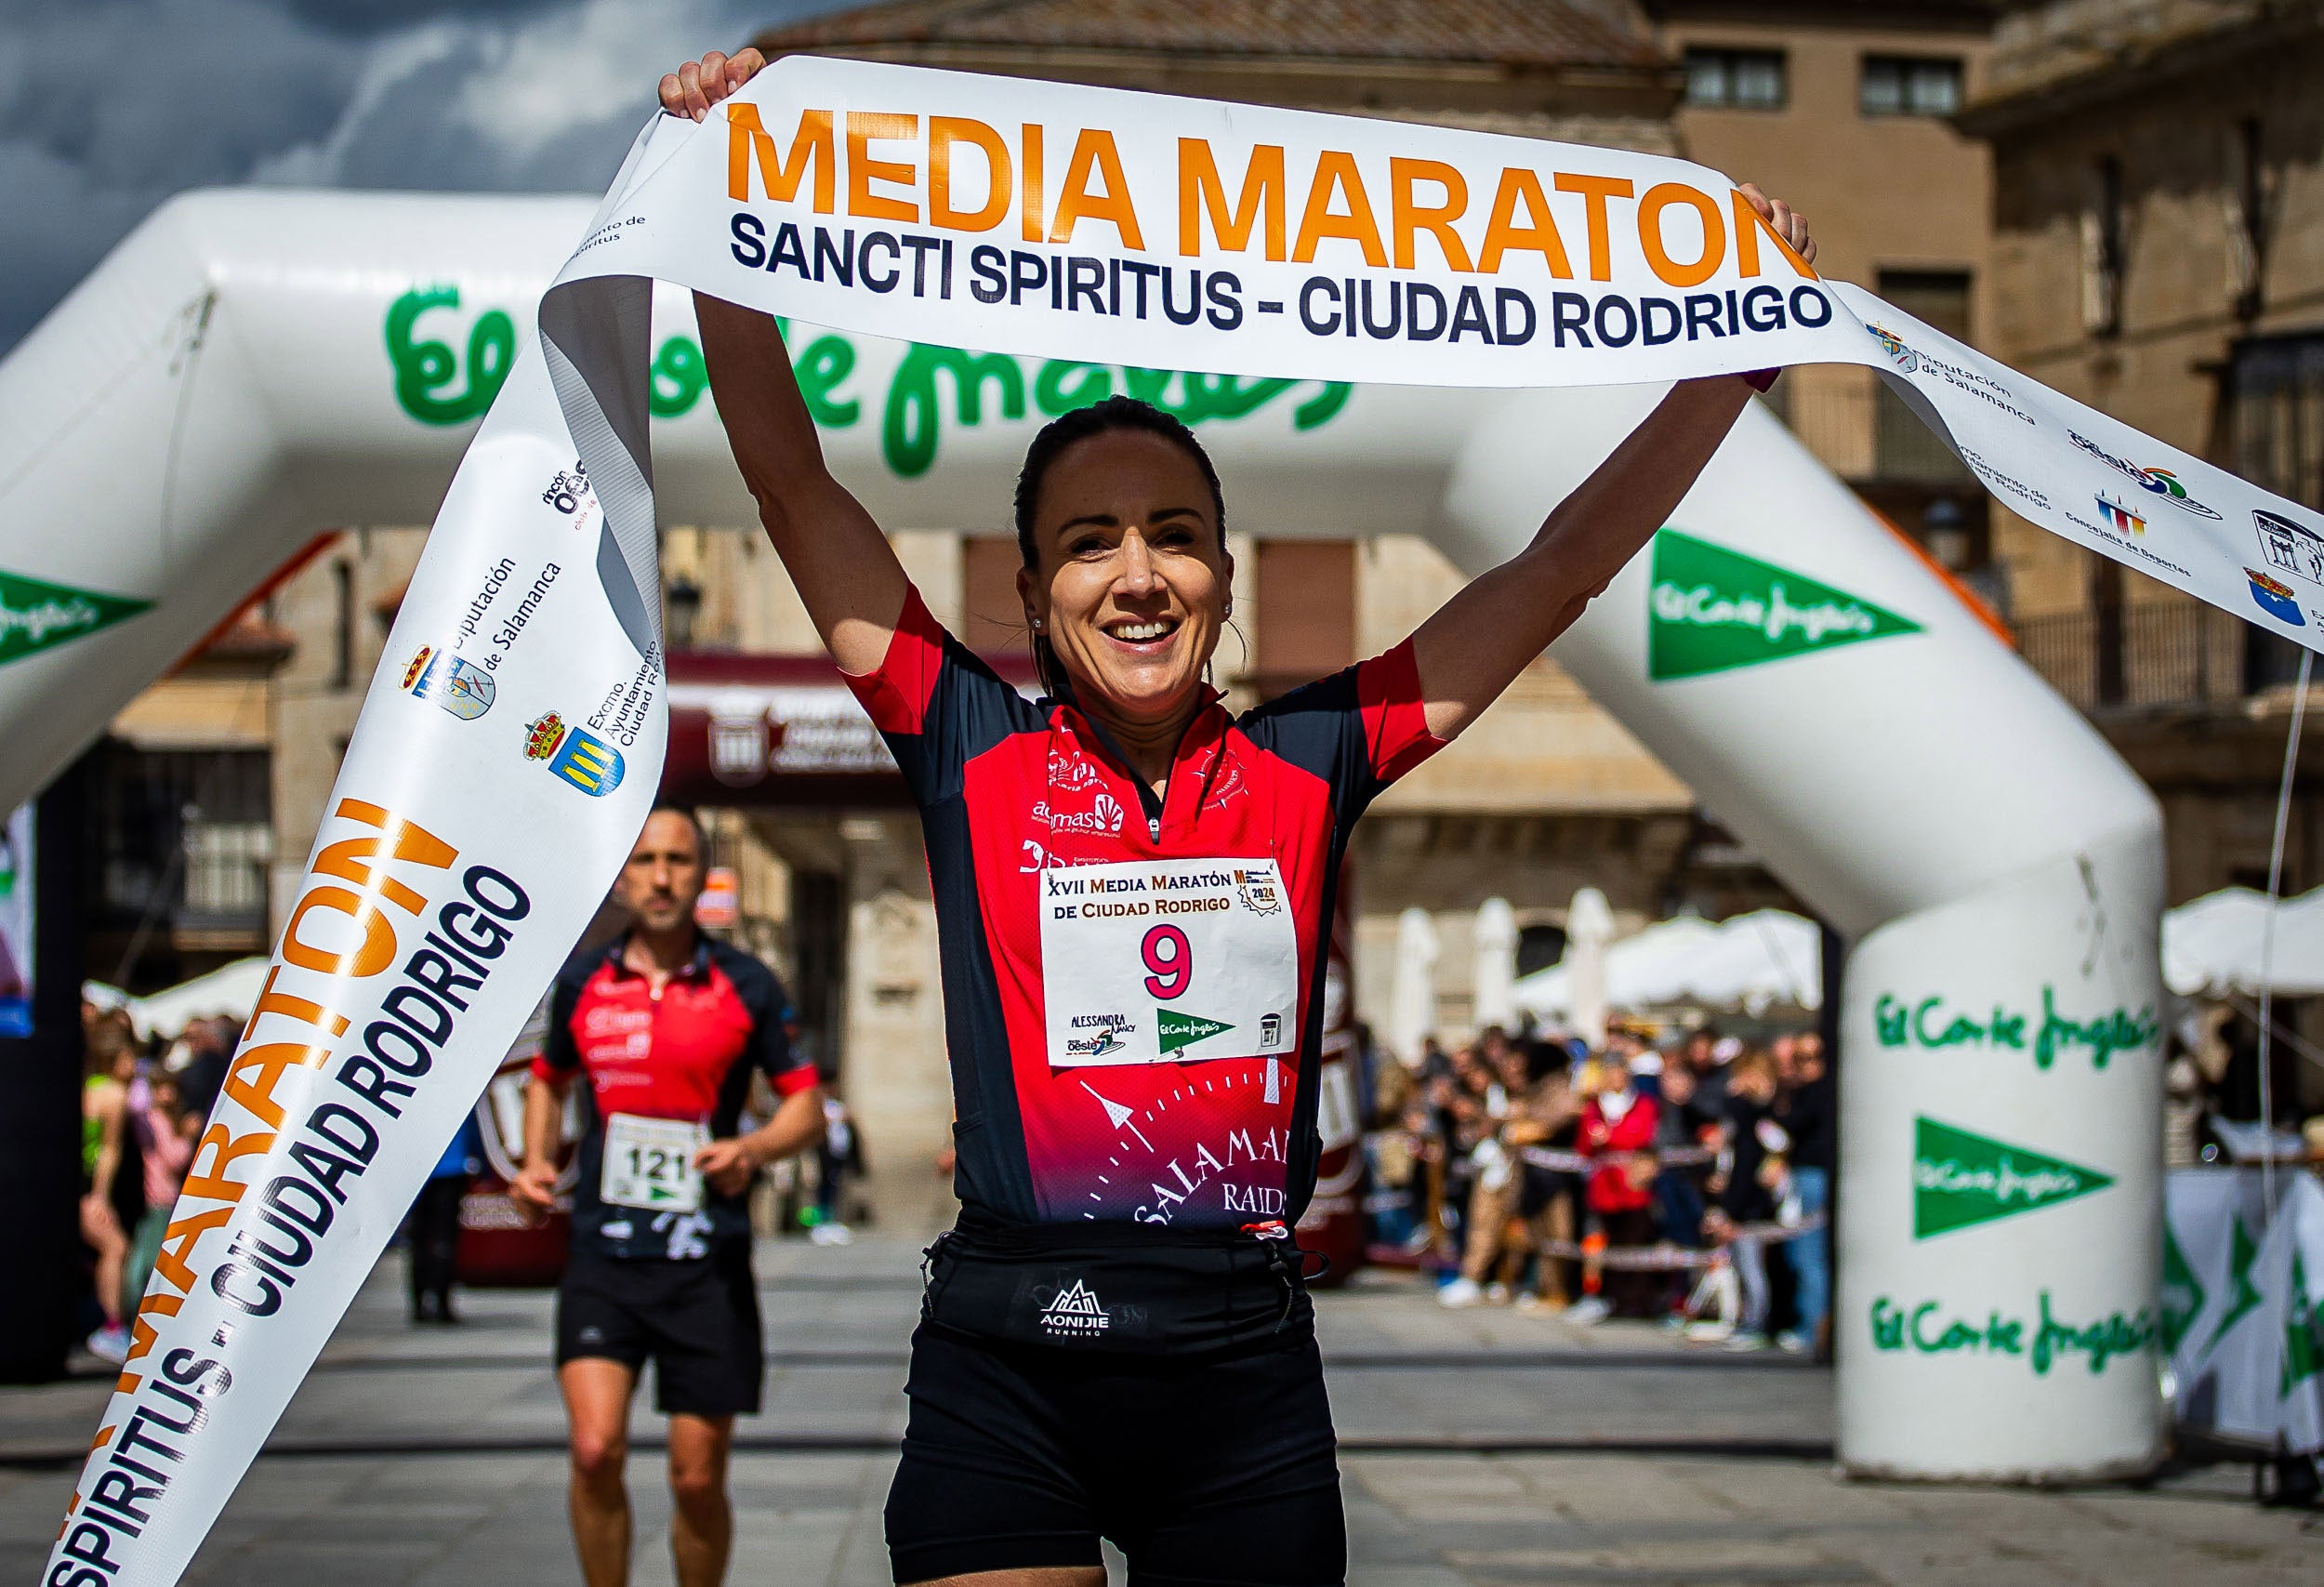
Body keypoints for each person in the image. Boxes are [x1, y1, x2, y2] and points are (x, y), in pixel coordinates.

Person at [663, 43, 1815, 1584]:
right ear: (1033, 592)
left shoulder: (1310, 758)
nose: (1138, 573)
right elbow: (794, 486)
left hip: (1241, 1382)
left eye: (1177, 535)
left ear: (1222, 574)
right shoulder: (962, 738)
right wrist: (722, 205)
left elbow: (1554, 569)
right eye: (1091, 542)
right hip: (1009, 1367)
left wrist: (1728, 371)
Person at [508, 805, 825, 1587]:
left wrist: (751, 1148)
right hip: (604, 1257)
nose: (661, 877)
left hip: (706, 1261)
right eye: (646, 860)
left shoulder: (745, 983)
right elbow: (548, 1078)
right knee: (594, 1450)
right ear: (621, 875)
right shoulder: (584, 979)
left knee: (696, 1475)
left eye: (678, 861)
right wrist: (535, 1162)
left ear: (702, 874)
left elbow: (806, 1106)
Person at [1704, 1049, 1786, 1351]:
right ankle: (1748, 1318)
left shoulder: (1756, 1116)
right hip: (1743, 1202)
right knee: (1741, 1263)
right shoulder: (1750, 1117)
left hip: (1753, 1205)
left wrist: (1733, 1209)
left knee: (1752, 1266)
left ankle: (1757, 1322)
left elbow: (1747, 1167)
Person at [79, 1011, 141, 1364]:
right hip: (87, 1190)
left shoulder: (86, 1085)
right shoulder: (114, 1095)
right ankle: (112, 1327)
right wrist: (100, 1197)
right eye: (130, 1055)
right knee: (115, 1246)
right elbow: (109, 1150)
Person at [1774, 1031, 1834, 1356]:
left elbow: (1787, 1127)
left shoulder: (1816, 1093)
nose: (1804, 1066)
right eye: (1799, 1059)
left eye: (1811, 1058)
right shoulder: (1828, 1089)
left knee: (1810, 1256)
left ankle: (1812, 1329)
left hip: (1812, 1175)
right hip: (1815, 1174)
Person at [407, 1112, 482, 1323]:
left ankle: (419, 1303)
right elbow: (472, 1129)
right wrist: (482, 1164)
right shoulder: (456, 1095)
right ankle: (441, 1303)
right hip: (452, 1165)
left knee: (419, 1237)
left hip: (415, 1166)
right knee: (445, 1239)